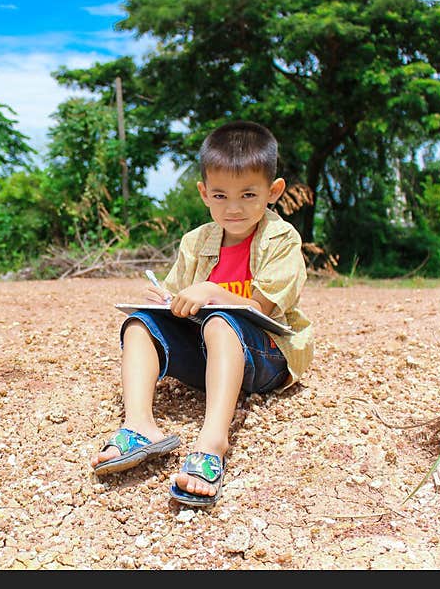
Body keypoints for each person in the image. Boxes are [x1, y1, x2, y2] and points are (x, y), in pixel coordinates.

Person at [90, 120, 314, 507]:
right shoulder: (196, 241)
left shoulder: (282, 238)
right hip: (211, 354)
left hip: (265, 357)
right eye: (221, 195)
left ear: (273, 192)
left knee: (221, 319)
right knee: (140, 324)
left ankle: (213, 441)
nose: (234, 207)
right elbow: (180, 297)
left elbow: (263, 309)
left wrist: (211, 291)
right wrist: (166, 301)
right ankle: (140, 424)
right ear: (204, 193)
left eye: (248, 194)